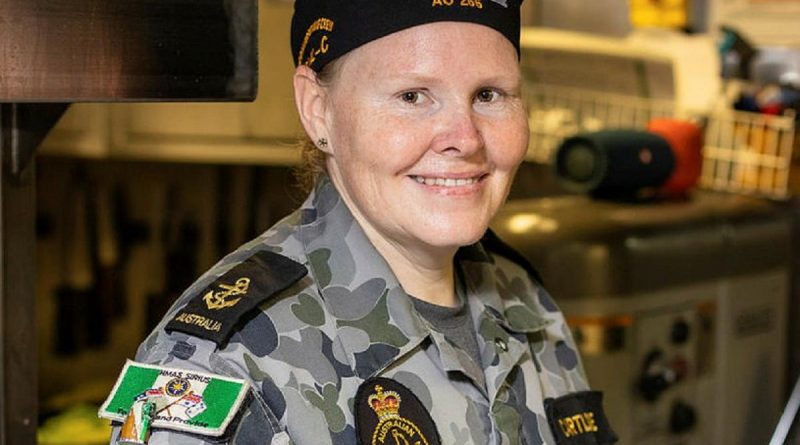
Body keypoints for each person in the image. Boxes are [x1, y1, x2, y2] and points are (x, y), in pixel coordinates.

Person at [100, 0, 618, 444]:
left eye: (489, 95)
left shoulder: (522, 298)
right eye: (413, 96)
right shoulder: (219, 364)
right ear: (318, 108)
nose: (466, 137)